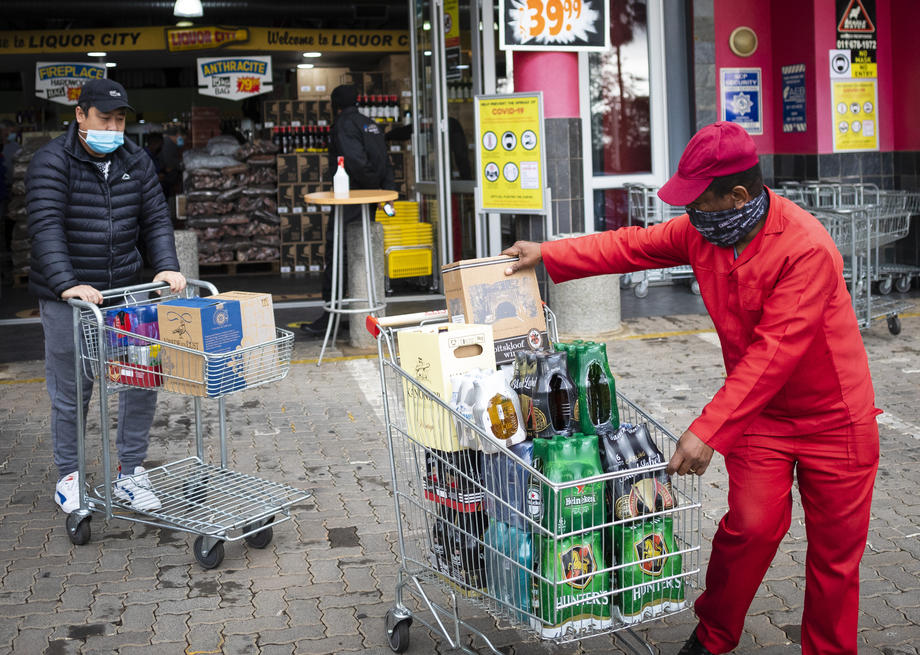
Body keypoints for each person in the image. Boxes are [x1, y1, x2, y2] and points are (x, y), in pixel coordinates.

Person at [502, 122, 879, 655]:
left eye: (699, 202)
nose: (689, 216)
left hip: (834, 420)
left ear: (738, 197)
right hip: (759, 417)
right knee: (749, 528)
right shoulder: (704, 232)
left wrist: (706, 431)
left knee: (836, 559)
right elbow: (630, 246)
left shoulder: (805, 249)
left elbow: (773, 353)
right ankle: (715, 634)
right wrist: (549, 254)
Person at [26, 79, 187, 514]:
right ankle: (70, 477)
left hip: (126, 291)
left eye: (119, 120)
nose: (113, 128)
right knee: (72, 389)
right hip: (71, 298)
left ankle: (130, 473)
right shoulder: (51, 161)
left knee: (142, 379)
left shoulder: (135, 159)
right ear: (80, 115)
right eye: (104, 118)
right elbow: (45, 226)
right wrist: (66, 282)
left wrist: (166, 265)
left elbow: (155, 218)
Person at [301, 84, 396, 336]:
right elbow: (385, 160)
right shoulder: (371, 124)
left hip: (350, 199)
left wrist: (370, 187)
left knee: (340, 251)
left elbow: (354, 161)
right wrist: (383, 192)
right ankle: (364, 313)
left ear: (336, 105)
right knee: (361, 251)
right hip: (370, 199)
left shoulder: (344, 125)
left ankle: (331, 314)